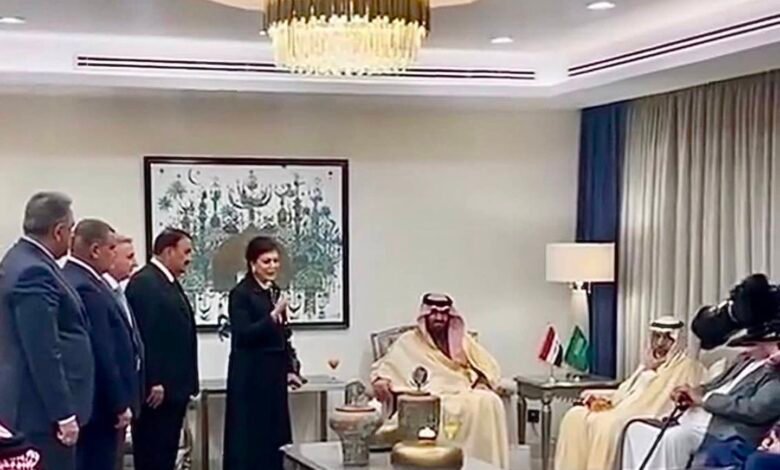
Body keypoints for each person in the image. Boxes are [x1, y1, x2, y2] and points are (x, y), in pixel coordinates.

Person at [0, 192, 94, 470]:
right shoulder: (33, 272)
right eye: (71, 229)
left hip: (34, 410)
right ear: (59, 231)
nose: (72, 236)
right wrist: (63, 414)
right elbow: (42, 349)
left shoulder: (21, 260)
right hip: (40, 416)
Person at [370, 293, 509, 469]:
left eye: (444, 314)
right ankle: (443, 463)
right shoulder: (408, 341)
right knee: (441, 408)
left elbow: (487, 365)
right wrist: (380, 380)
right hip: (432, 396)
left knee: (490, 401)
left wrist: (482, 381)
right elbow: (386, 367)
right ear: (425, 315)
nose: (439, 318)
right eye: (434, 313)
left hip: (464, 390)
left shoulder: (462, 340)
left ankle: (483, 463)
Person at [555, 316, 704, 470]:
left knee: (606, 424)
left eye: (667, 338)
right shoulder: (649, 364)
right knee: (574, 416)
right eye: (656, 336)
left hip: (644, 414)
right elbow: (626, 393)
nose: (660, 343)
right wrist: (644, 369)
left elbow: (663, 404)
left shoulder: (687, 367)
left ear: (678, 341)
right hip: (622, 408)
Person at [621, 339, 780, 470]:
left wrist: (704, 400)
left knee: (672, 438)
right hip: (696, 417)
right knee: (635, 429)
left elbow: (754, 410)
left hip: (724, 427)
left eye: (753, 343)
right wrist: (690, 392)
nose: (745, 348)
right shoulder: (743, 361)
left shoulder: (775, 373)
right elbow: (713, 385)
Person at [222, 236, 303, 470]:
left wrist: (290, 369)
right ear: (252, 264)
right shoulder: (240, 293)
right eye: (266, 261)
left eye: (276, 261)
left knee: (274, 434)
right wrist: (272, 316)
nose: (272, 266)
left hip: (273, 374)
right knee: (249, 436)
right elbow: (243, 333)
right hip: (250, 375)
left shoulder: (274, 291)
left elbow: (283, 335)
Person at [62, 220, 136, 470]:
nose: (115, 254)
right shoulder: (86, 287)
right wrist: (119, 402)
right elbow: (102, 350)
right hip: (99, 406)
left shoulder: (83, 279)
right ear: (95, 250)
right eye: (112, 248)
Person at [126, 228, 199, 470]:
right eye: (185, 252)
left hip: (173, 389)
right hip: (158, 392)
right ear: (168, 251)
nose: (190, 258)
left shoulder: (167, 282)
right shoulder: (146, 283)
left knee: (165, 454)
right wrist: (153, 379)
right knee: (153, 454)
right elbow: (145, 335)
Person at [103, 235, 144, 423]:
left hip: (130, 391)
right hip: (110, 399)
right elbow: (106, 350)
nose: (135, 264)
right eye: (129, 257)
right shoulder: (100, 293)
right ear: (111, 257)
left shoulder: (119, 292)